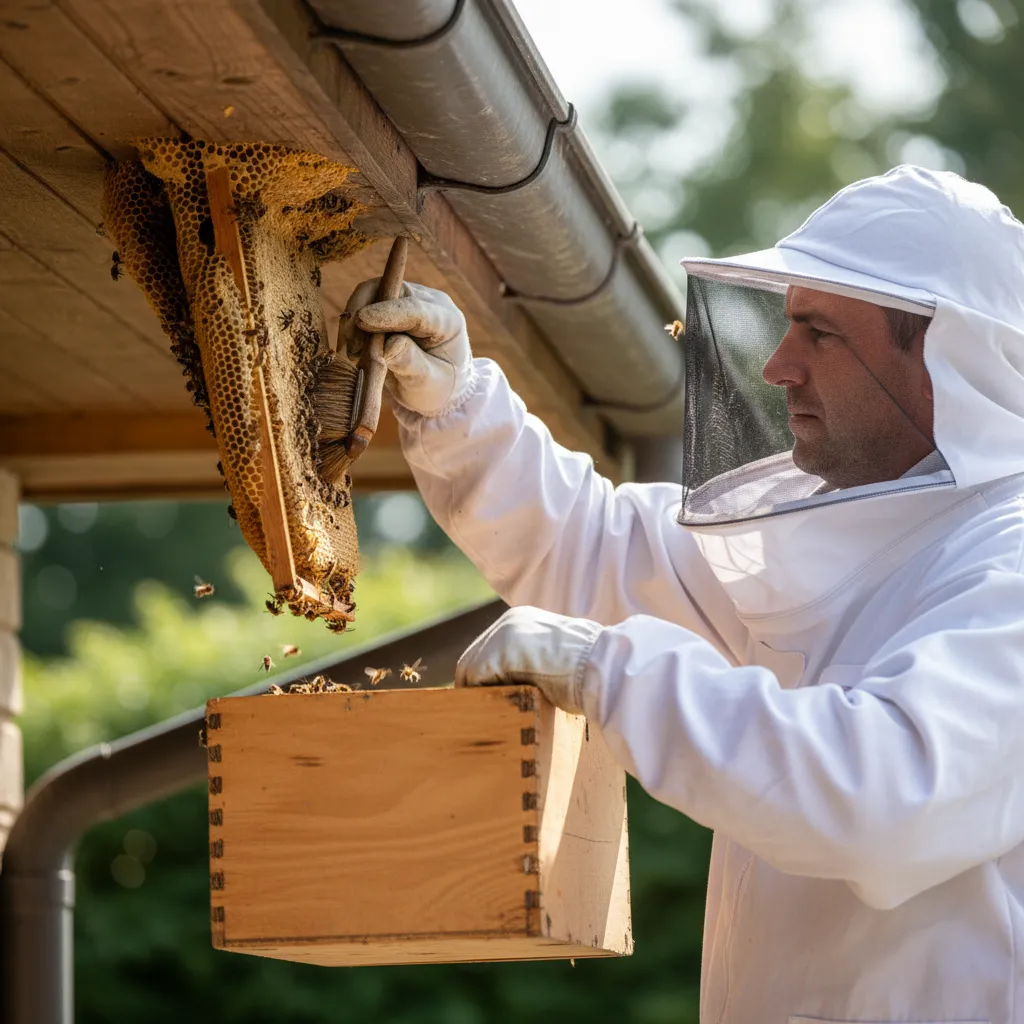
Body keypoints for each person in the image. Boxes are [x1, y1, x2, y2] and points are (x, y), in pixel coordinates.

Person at [339, 165, 1024, 1022]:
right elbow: (600, 552)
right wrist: (455, 402)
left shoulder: (1009, 558)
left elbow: (880, 788)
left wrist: (608, 670)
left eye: (818, 333)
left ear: (938, 350)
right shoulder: (842, 534)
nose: (778, 367)